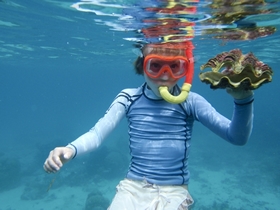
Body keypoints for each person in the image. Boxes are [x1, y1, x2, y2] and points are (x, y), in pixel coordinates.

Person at [43, 41, 254, 210]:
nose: (165, 75)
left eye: (174, 67)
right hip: (131, 189)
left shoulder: (190, 102)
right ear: (141, 66)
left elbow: (236, 137)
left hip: (174, 192)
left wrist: (243, 100)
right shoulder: (128, 98)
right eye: (155, 66)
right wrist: (70, 149)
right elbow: (97, 134)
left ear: (185, 70)